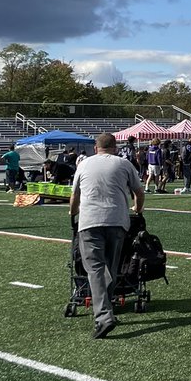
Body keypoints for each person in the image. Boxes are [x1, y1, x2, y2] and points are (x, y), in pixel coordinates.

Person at [68, 132, 145, 339]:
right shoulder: (124, 164)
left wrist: (72, 212)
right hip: (117, 220)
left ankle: (103, 316)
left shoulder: (83, 165)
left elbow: (75, 195)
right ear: (115, 148)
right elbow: (139, 192)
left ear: (96, 147)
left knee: (94, 269)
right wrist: (137, 209)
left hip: (90, 221)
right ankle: (107, 308)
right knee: (110, 267)